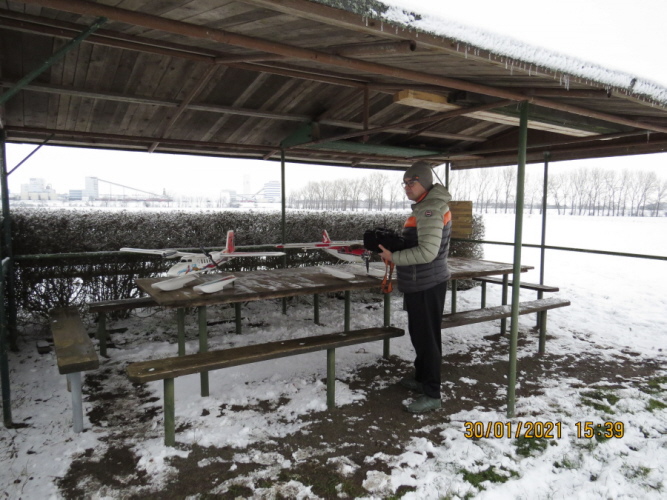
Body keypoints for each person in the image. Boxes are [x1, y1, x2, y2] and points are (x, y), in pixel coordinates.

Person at [378, 161, 452, 413]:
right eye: (405, 183)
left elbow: (428, 252)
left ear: (426, 183)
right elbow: (420, 244)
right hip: (421, 282)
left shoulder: (430, 208)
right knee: (420, 335)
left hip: (427, 283)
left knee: (427, 339)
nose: (407, 187)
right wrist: (397, 246)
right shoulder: (425, 206)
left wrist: (394, 257)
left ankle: (432, 393)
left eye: (412, 182)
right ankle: (421, 379)